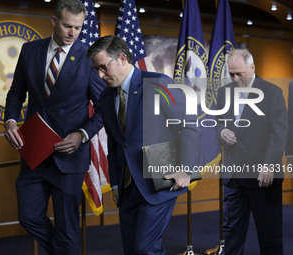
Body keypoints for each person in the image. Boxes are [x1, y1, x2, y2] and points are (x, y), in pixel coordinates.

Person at [4, 0, 105, 254]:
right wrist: (10, 120)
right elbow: (16, 93)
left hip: (69, 158)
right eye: (67, 25)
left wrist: (82, 135)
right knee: (28, 216)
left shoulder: (90, 58)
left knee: (68, 229)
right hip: (34, 154)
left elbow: (105, 109)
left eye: (78, 28)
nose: (73, 33)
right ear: (53, 21)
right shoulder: (30, 51)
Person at [87, 35, 201, 255]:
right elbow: (115, 144)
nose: (100, 76)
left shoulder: (158, 83)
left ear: (121, 58)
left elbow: (189, 126)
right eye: (97, 70)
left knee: (146, 249)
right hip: (128, 187)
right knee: (132, 250)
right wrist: (116, 185)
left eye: (103, 67)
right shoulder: (106, 98)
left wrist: (186, 168)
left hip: (159, 181)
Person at [215, 49, 288, 255]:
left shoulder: (272, 92)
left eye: (240, 74)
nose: (236, 79)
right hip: (233, 177)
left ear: (252, 68)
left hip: (262, 177)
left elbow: (279, 133)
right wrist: (222, 131)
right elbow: (218, 122)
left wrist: (269, 164)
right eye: (232, 74)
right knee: (231, 237)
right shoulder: (224, 92)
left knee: (269, 237)